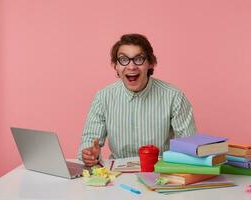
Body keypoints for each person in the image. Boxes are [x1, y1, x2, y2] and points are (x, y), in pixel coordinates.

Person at [78, 33, 196, 167]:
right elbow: (89, 141)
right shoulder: (103, 97)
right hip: (117, 174)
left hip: (159, 173)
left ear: (150, 63)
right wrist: (89, 154)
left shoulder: (174, 97)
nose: (131, 66)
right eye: (123, 60)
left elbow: (189, 147)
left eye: (139, 59)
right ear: (116, 65)